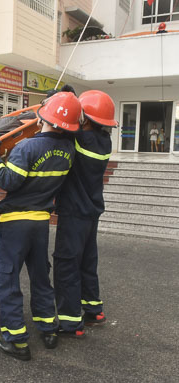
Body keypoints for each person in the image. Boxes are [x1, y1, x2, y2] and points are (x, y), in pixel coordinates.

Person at [0, 91, 81, 361]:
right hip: (41, 223)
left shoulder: (27, 147)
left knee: (7, 279)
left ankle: (16, 340)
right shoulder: (68, 149)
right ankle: (48, 328)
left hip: (15, 223)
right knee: (40, 277)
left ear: (44, 115)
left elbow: (7, 181)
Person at [53, 90, 117, 338]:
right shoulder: (104, 141)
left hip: (74, 213)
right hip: (91, 212)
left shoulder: (78, 140)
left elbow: (61, 126)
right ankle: (93, 310)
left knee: (67, 264)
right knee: (87, 263)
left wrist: (59, 102)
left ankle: (70, 323)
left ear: (85, 118)